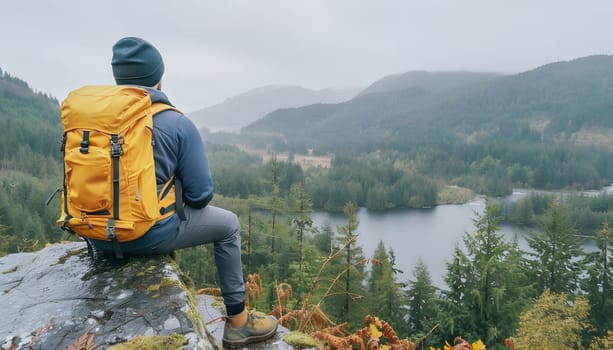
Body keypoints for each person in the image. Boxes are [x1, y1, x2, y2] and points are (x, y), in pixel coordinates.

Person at [89, 36, 278, 348]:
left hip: (97, 236)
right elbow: (201, 195)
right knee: (228, 224)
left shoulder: (96, 120)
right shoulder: (175, 122)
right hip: (145, 235)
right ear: (158, 78)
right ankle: (240, 323)